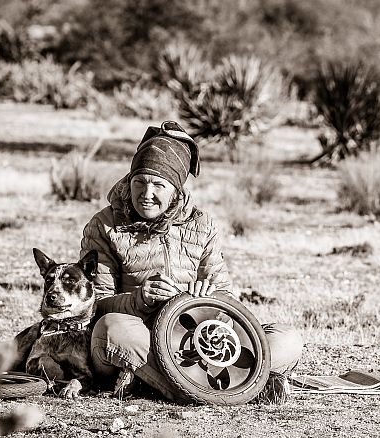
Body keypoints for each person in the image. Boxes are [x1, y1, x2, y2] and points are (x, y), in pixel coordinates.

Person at [81, 121, 303, 403]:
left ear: (176, 189)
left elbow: (227, 299)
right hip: (144, 340)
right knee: (111, 330)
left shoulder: (202, 225)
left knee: (287, 339)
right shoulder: (104, 226)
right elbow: (94, 306)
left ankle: (170, 387)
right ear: (129, 180)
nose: (146, 194)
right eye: (139, 182)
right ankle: (230, 390)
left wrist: (208, 298)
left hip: (197, 341)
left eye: (158, 185)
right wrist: (139, 300)